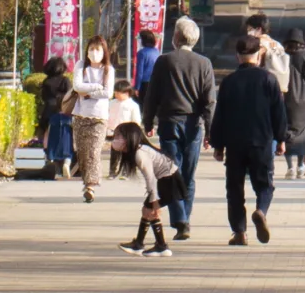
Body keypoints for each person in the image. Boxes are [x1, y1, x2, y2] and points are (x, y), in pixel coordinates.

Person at [141, 16, 217, 238]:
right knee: (188, 176)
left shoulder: (164, 61)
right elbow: (209, 101)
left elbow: (152, 95)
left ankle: (181, 219)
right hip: (194, 124)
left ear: (176, 37)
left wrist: (148, 121)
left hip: (169, 123)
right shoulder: (204, 64)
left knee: (171, 172)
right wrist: (210, 131)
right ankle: (185, 219)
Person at [210, 31, 287, 245]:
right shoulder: (269, 80)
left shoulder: (229, 82)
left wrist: (218, 144)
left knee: (234, 189)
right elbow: (278, 112)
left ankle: (240, 233)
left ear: (237, 56)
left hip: (235, 143)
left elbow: (221, 114)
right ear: (259, 55)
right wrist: (281, 139)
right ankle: (261, 211)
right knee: (265, 185)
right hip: (261, 141)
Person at [111, 118, 183, 255]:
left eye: (119, 136)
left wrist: (154, 200)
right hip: (166, 179)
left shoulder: (140, 153)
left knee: (149, 210)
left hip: (169, 181)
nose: (116, 140)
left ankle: (154, 245)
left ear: (129, 137)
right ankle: (151, 245)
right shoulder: (137, 151)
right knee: (147, 210)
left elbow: (150, 178)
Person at [70, 36, 115, 201]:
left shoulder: (108, 69)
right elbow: (77, 86)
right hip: (81, 115)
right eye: (91, 49)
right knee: (82, 152)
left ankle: (91, 185)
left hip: (99, 117)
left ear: (104, 52)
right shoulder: (81, 65)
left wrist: (87, 93)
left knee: (94, 152)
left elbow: (108, 93)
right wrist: (96, 87)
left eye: (98, 49)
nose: (94, 53)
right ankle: (86, 182)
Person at [283, 29, 305, 176]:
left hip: (285, 96)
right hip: (303, 98)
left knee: (286, 131)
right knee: (302, 131)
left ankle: (289, 166)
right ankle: (301, 165)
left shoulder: (283, 56)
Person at [37, 53, 74, 180]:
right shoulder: (65, 80)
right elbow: (70, 95)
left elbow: (43, 97)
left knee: (48, 134)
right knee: (66, 135)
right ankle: (66, 160)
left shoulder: (46, 82)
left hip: (48, 111)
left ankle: (50, 159)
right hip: (63, 111)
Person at [245, 12, 292, 93]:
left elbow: (254, 65)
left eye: (250, 29)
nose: (248, 32)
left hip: (262, 86)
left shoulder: (257, 44)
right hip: (278, 86)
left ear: (259, 29)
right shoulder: (277, 44)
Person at [134, 27, 161, 96]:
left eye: (139, 39)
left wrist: (137, 87)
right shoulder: (156, 51)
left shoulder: (141, 53)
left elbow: (139, 72)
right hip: (156, 82)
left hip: (144, 83)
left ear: (143, 40)